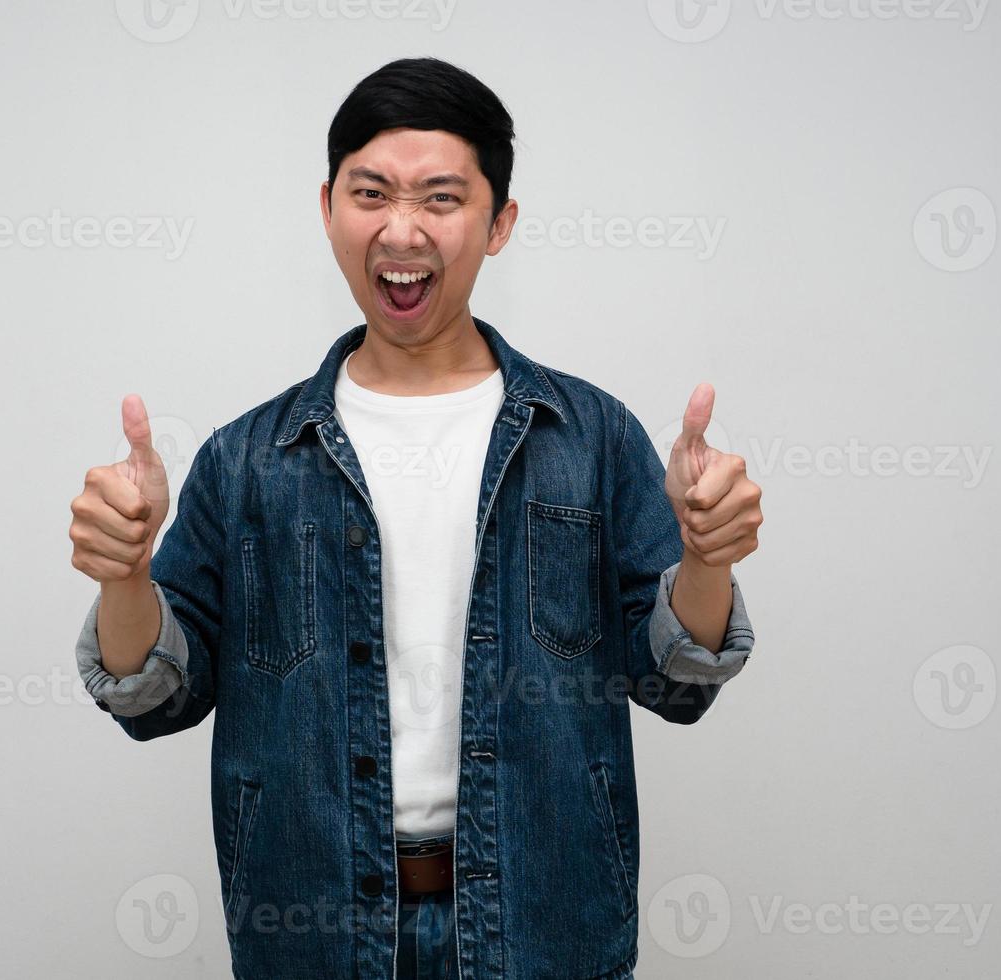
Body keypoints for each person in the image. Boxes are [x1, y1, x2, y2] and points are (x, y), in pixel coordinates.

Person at [69, 56, 763, 980]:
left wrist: (705, 558)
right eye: (371, 193)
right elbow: (154, 699)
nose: (402, 229)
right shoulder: (247, 459)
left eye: (441, 197)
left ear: (499, 222)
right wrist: (126, 573)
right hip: (315, 936)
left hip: (545, 928)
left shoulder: (589, 437)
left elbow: (676, 685)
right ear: (327, 209)